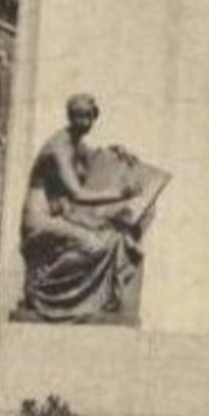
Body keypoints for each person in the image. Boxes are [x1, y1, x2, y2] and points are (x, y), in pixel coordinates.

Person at [18, 94, 154, 322]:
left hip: (59, 219)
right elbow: (78, 194)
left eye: (88, 117)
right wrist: (120, 194)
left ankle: (99, 299)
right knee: (93, 245)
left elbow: (95, 159)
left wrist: (116, 152)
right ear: (70, 117)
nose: (84, 122)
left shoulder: (76, 143)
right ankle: (39, 286)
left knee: (113, 237)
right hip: (38, 221)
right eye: (79, 117)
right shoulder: (58, 147)